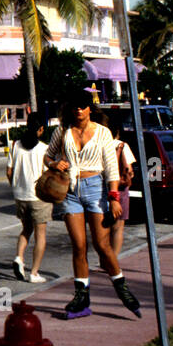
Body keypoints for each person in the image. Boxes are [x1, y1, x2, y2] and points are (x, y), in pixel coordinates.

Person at [43, 88, 141, 319]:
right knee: (79, 246)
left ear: (90, 109)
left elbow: (112, 168)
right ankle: (81, 297)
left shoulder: (103, 133)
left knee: (102, 245)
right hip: (71, 191)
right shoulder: (62, 131)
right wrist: (54, 164)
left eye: (83, 106)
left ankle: (122, 289)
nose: (79, 109)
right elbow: (47, 156)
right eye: (75, 106)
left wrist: (114, 198)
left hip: (96, 188)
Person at [6, 112, 50, 282]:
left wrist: (15, 187)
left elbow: (9, 171)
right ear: (41, 129)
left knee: (26, 229)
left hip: (20, 196)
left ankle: (19, 257)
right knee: (41, 235)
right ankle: (34, 273)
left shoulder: (15, 145)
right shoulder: (43, 149)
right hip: (38, 198)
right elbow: (47, 175)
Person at [94, 109, 136, 256]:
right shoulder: (122, 145)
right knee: (118, 228)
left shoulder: (98, 145)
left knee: (103, 226)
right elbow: (128, 170)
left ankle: (103, 258)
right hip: (119, 189)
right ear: (117, 131)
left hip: (99, 187)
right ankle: (114, 260)